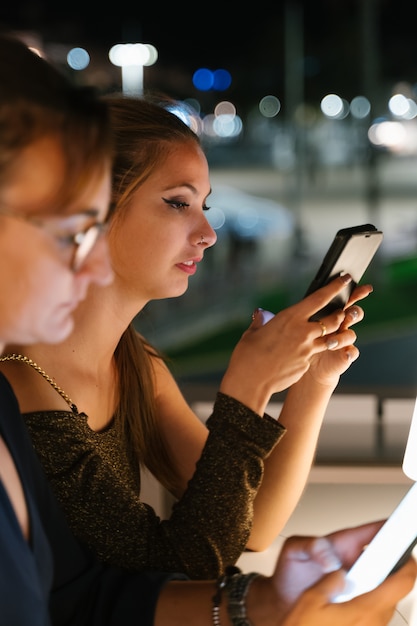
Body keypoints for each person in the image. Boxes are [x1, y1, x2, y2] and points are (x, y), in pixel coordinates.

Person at [0, 31, 415, 626]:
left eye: (206, 206)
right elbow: (194, 560)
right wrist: (246, 389)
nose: (208, 234)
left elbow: (251, 524)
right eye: (177, 203)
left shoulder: (134, 362)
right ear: (97, 207)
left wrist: (313, 380)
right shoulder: (21, 386)